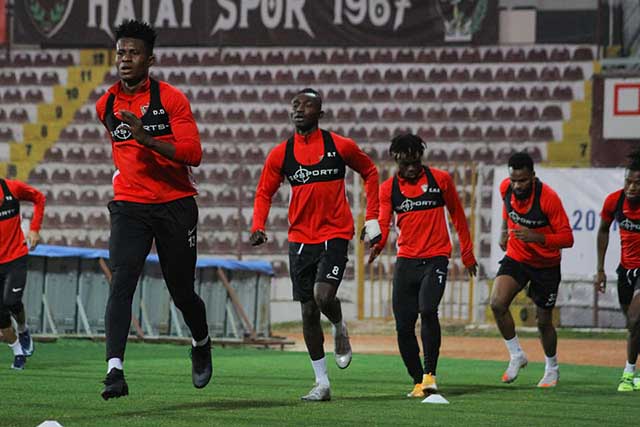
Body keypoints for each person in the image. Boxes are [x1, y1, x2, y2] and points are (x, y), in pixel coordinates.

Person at [95, 20, 211, 400]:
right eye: (121, 53)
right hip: (130, 205)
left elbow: (193, 153)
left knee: (182, 291)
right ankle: (114, 370)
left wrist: (147, 138)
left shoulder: (171, 99)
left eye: (134, 53)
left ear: (150, 59)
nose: (125, 59)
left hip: (175, 204)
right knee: (122, 280)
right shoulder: (105, 105)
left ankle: (200, 341)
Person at [250, 88, 381, 401]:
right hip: (300, 239)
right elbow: (264, 191)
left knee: (323, 296)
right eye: (295, 104)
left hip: (335, 233)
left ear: (320, 113)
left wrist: (372, 218)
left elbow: (370, 171)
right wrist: (258, 225)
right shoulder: (282, 153)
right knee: (308, 311)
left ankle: (338, 325)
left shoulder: (340, 145)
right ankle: (322, 383)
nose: (299, 109)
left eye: (307, 105)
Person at [368, 134, 477, 398]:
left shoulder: (440, 180)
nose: (411, 168)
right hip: (406, 261)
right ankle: (418, 381)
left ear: (421, 157)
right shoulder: (388, 189)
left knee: (428, 310)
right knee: (403, 327)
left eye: (415, 162)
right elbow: (384, 223)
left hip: (436, 258)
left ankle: (430, 374)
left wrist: (467, 254)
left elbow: (458, 216)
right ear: (396, 160)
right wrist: (377, 245)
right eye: (405, 163)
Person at [490, 152, 573, 388]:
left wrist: (537, 237)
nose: (517, 185)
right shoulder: (506, 188)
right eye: (514, 180)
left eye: (523, 180)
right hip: (517, 256)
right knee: (497, 303)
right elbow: (507, 208)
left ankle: (552, 368)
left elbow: (568, 238)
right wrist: (504, 231)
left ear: (533, 177)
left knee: (543, 321)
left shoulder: (548, 199)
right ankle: (517, 354)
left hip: (546, 265)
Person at [595, 150, 640, 392]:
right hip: (626, 270)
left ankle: (628, 375)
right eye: (628, 182)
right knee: (634, 325)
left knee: (634, 318)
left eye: (637, 183)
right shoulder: (614, 201)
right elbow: (603, 230)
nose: (631, 188)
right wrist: (600, 269)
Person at [0, 178, 45, 370]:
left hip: (15, 257)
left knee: (11, 301)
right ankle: (18, 353)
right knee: (0, 316)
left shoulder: (12, 188)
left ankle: (23, 329)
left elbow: (39, 198)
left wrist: (34, 229)